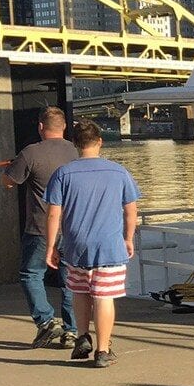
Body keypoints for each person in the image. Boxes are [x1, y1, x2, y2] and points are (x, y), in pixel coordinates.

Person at [44, 119, 139, 368]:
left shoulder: (63, 174)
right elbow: (131, 212)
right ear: (100, 142)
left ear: (75, 143)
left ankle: (83, 335)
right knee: (104, 297)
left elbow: (54, 213)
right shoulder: (119, 172)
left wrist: (51, 246)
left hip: (76, 245)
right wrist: (128, 239)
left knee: (80, 291)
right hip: (109, 245)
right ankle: (103, 350)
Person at [2, 106, 78, 348]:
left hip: (40, 227)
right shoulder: (77, 152)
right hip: (72, 228)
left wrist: (13, 166)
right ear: (64, 127)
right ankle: (72, 331)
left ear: (40, 127)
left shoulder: (30, 152)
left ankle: (46, 321)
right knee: (70, 281)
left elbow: (8, 181)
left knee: (31, 274)